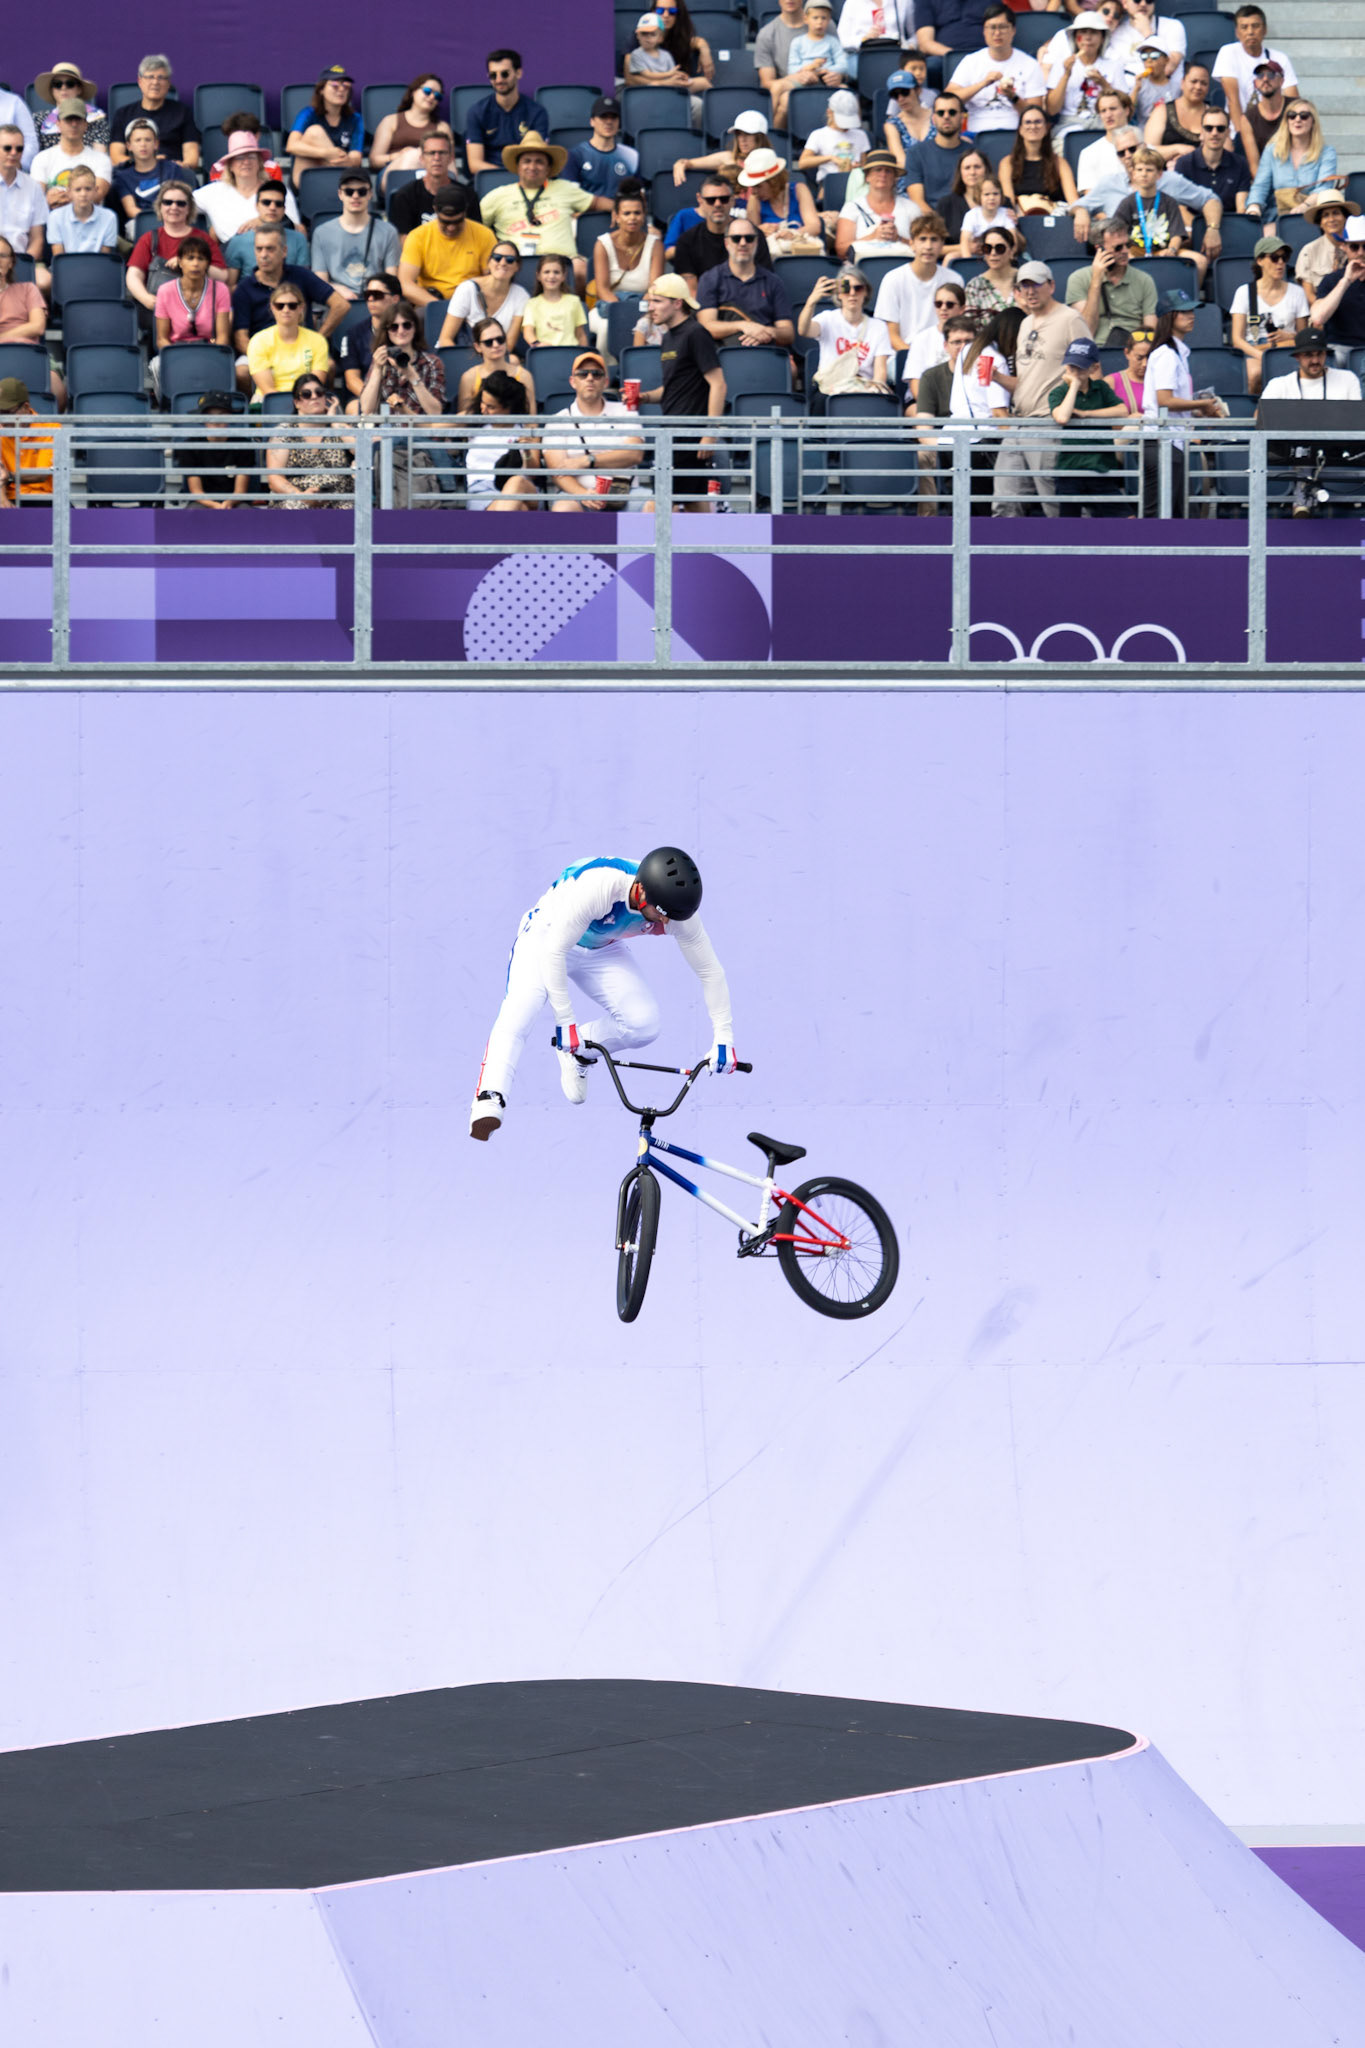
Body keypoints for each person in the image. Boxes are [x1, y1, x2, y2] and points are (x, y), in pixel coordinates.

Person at [469, 850, 736, 1142]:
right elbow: (554, 951)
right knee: (522, 1008)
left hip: (602, 946)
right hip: (547, 937)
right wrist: (565, 1021)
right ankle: (489, 1096)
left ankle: (580, 1053)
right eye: (661, 914)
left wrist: (724, 1037)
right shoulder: (601, 885)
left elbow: (710, 971)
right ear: (641, 892)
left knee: (644, 1024)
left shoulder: (675, 912)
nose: (664, 922)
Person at [992, 258, 1092, 514]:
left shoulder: (1070, 319)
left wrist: (1069, 404)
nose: (1030, 291)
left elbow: (1091, 367)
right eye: (1024, 286)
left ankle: (1066, 552)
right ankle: (1002, 555)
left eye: (1036, 285)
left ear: (1051, 285)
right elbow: (1027, 381)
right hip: (1018, 422)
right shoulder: (1025, 323)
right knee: (1005, 500)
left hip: (1049, 423)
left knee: (1054, 501)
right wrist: (996, 377)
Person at [638, 276, 727, 509]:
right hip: (672, 433)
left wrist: (710, 431)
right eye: (650, 301)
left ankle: (647, 547)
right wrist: (645, 397)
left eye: (657, 301)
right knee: (694, 504)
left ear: (677, 303)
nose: (651, 307)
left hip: (689, 434)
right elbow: (673, 387)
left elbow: (718, 384)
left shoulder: (696, 333)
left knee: (656, 506)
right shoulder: (668, 337)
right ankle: (705, 546)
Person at [480, 139, 600, 292]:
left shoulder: (565, 189)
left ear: (549, 168)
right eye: (527, 161)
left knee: (581, 268)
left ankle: (580, 311)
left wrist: (619, 208)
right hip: (513, 264)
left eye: (539, 162)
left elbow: (597, 203)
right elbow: (475, 227)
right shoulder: (497, 195)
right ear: (518, 166)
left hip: (562, 263)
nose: (532, 166)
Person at [358, 300, 446, 505]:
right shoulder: (379, 363)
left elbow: (435, 413)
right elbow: (366, 408)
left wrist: (413, 376)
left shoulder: (431, 363)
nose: (401, 331)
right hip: (384, 443)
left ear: (415, 328)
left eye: (407, 325)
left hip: (420, 440)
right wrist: (378, 370)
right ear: (387, 331)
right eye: (394, 326)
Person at [1141, 292, 1220, 513]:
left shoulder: (1175, 353)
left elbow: (1168, 403)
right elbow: (1165, 400)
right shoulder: (1166, 354)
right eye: (1184, 311)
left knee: (1175, 511)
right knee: (1161, 512)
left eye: (1191, 311)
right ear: (1170, 316)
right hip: (1163, 441)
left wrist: (1199, 411)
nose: (1191, 316)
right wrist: (1201, 406)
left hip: (1170, 440)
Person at [230, 227, 345, 378]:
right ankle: (255, 402)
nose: (264, 255)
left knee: (328, 366)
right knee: (242, 372)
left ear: (284, 251)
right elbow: (240, 338)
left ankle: (323, 400)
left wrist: (318, 339)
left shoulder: (301, 275)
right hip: (264, 352)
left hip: (303, 348)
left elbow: (341, 305)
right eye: (259, 249)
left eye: (270, 249)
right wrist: (263, 358)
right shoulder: (244, 289)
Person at [542, 351, 646, 508]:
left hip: (624, 493)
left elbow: (634, 454)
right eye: (583, 374)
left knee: (655, 504)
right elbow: (558, 471)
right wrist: (583, 494)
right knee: (563, 508)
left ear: (605, 382)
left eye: (596, 374)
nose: (590, 378)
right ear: (573, 381)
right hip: (577, 495)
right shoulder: (557, 421)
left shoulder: (626, 411)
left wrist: (586, 461)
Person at [127, 185, 228, 328]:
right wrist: (147, 299)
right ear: (160, 207)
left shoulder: (203, 239)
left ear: (189, 209)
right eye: (168, 202)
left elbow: (222, 275)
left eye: (181, 203)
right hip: (157, 311)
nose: (174, 207)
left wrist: (190, 263)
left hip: (197, 310)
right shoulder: (149, 239)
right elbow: (133, 275)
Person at [1048, 334, 1129, 512]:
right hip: (1070, 468)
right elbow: (1062, 417)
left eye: (1081, 367)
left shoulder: (1101, 388)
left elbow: (1122, 410)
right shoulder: (1058, 393)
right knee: (1069, 527)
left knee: (1124, 519)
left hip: (1101, 467)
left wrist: (1086, 414)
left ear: (1094, 367)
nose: (1075, 371)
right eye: (1072, 366)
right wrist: (1074, 385)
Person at [1213, 6, 1298, 158]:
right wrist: (1242, 136)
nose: (1250, 31)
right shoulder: (1228, 52)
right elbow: (1233, 100)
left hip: (1276, 133)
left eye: (1255, 26)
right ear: (1237, 33)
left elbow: (1293, 102)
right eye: (1244, 27)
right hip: (1240, 129)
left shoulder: (1280, 58)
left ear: (1264, 30)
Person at [588, 185, 664, 354]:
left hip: (644, 305)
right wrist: (622, 314)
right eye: (626, 213)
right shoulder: (602, 244)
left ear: (644, 216)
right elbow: (602, 289)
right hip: (609, 307)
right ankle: (608, 373)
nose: (632, 218)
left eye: (637, 213)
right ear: (616, 216)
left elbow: (654, 288)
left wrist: (637, 311)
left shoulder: (655, 245)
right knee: (606, 329)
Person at [948, 7, 1048, 134]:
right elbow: (949, 99)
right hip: (976, 132)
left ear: (1013, 30)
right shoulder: (971, 61)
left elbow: (1036, 115)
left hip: (1018, 134)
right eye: (992, 27)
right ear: (984, 31)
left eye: (1002, 27)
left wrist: (1013, 97)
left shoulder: (1030, 64)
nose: (997, 33)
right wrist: (982, 84)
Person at [697, 220, 796, 348]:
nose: (743, 243)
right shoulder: (710, 279)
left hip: (765, 349)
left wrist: (763, 332)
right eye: (736, 238)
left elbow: (788, 334)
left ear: (756, 242)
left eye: (749, 238)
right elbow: (707, 327)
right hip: (724, 353)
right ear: (726, 243)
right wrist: (743, 326)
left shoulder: (773, 281)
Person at [873, 212, 964, 351]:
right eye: (922, 239)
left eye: (934, 239)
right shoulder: (893, 279)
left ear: (942, 245)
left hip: (943, 353)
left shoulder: (954, 279)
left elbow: (956, 328)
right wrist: (916, 357)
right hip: (903, 353)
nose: (928, 246)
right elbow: (891, 335)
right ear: (912, 244)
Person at [1230, 235, 1309, 394]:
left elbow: (1304, 335)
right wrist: (1262, 356)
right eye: (1274, 258)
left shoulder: (1297, 293)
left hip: (1287, 350)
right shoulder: (1245, 292)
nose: (1280, 263)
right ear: (1260, 261)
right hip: (1254, 350)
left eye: (1284, 258)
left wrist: (1290, 336)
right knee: (1254, 374)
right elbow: (1237, 339)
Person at [153, 233, 232, 392]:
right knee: (156, 365)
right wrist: (178, 357)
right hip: (177, 350)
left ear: (207, 263)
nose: (195, 263)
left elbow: (223, 337)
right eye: (190, 258)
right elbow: (162, 338)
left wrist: (209, 357)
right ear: (180, 262)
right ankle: (168, 407)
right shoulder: (165, 291)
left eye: (201, 259)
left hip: (209, 350)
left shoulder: (220, 290)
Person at [194, 133, 303, 245]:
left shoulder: (276, 192)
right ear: (230, 165)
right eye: (239, 158)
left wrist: (266, 222)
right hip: (229, 256)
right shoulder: (213, 191)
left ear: (260, 163)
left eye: (251, 157)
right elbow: (181, 201)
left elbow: (299, 231)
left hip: (272, 251)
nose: (246, 162)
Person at [398, 186, 497, 308]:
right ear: (435, 211)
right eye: (445, 222)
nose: (451, 227)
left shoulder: (484, 234)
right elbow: (406, 284)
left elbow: (492, 278)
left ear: (465, 212)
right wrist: (439, 306)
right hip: (431, 302)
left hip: (472, 302)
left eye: (457, 221)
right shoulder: (418, 236)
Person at [800, 267, 892, 395]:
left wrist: (874, 391)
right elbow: (804, 331)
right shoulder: (827, 318)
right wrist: (811, 302)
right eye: (846, 288)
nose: (852, 293)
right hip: (830, 388)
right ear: (838, 293)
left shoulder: (878, 326)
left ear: (866, 292)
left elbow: (880, 373)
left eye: (858, 288)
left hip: (864, 387)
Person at [309, 171, 400, 301]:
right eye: (349, 191)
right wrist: (337, 289)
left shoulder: (388, 231)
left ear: (370, 194)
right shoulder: (321, 232)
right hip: (337, 301)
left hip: (378, 300)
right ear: (340, 194)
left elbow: (391, 280)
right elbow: (320, 281)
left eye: (362, 191)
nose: (355, 196)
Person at [1066, 218, 1158, 341]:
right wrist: (1096, 281)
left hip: (1132, 348)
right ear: (1099, 249)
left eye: (1128, 245)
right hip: (1095, 349)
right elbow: (1086, 332)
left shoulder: (1144, 280)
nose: (1125, 251)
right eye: (1118, 247)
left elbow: (1150, 330)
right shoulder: (1078, 279)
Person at [265, 377, 353, 504]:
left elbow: (361, 449)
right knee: (296, 508)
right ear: (297, 403)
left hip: (339, 498)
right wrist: (301, 496)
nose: (314, 397)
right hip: (296, 497)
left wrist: (334, 421)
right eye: (307, 394)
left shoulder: (338, 427)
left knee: (353, 514)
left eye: (319, 392)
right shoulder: (284, 432)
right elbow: (274, 478)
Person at [1246, 102, 1337, 222]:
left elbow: (1324, 189)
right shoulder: (1272, 150)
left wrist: (1305, 207)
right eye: (1292, 115)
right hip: (1277, 214)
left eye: (1304, 115)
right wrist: (1254, 207)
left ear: (1313, 121)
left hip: (1313, 214)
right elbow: (1261, 185)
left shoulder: (1326, 152)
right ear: (1286, 121)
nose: (1297, 119)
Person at [464, 370, 542, 508]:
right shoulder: (473, 420)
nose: (483, 409)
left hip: (524, 487)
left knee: (516, 482)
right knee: (520, 509)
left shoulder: (527, 428)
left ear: (508, 408)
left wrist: (527, 453)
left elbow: (534, 471)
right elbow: (432, 425)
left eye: (491, 407)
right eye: (482, 402)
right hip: (483, 489)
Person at [464, 51, 550, 177]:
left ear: (518, 73)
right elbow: (475, 164)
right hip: (490, 178)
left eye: (505, 74)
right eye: (493, 75)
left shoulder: (537, 112)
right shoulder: (477, 112)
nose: (499, 80)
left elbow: (539, 158)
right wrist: (503, 175)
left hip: (527, 178)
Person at [671, 177, 762, 295]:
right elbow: (691, 292)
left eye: (724, 199)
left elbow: (763, 283)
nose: (718, 204)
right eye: (711, 200)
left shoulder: (752, 236)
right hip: (704, 307)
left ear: (732, 200)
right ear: (700, 199)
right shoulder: (687, 241)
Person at [108, 55, 200, 169]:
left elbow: (192, 158)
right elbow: (116, 156)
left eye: (161, 78)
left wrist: (176, 167)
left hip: (171, 173)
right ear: (140, 81)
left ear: (168, 83)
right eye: (150, 77)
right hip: (133, 172)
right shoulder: (123, 114)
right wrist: (147, 164)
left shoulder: (183, 113)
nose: (155, 82)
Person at [248, 282, 333, 400]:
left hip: (308, 399)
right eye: (280, 306)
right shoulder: (258, 341)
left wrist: (301, 406)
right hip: (269, 400)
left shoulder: (317, 340)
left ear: (301, 308)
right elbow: (267, 389)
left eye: (292, 305)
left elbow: (315, 385)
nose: (286, 310)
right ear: (272, 308)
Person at [1045, 12, 1122, 141]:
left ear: (1103, 37)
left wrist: (1104, 84)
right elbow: (1052, 109)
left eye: (1093, 32)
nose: (1088, 37)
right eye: (1083, 32)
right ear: (1075, 37)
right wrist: (1066, 75)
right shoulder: (1061, 65)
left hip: (1105, 123)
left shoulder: (1114, 65)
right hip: (1069, 124)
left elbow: (1124, 108)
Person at [387, 134, 480, 240]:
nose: (436, 158)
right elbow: (404, 242)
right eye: (431, 153)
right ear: (421, 158)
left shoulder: (468, 195)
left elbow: (475, 236)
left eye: (442, 153)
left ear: (451, 158)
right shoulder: (405, 196)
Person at [835, 148, 920, 261]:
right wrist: (873, 237)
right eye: (878, 170)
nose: (883, 174)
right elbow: (841, 250)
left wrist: (898, 238)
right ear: (867, 176)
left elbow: (924, 247)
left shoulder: (911, 208)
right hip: (862, 273)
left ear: (895, 178)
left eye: (888, 171)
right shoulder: (852, 207)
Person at [439, 244, 529, 351]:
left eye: (510, 260)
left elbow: (508, 346)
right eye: (497, 258)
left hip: (498, 356)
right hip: (464, 354)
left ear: (517, 266)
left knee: (514, 360)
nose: (503, 263)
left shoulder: (521, 295)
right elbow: (445, 339)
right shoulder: (467, 289)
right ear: (489, 263)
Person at [286, 66, 364, 186]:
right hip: (308, 178)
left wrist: (339, 158)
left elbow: (356, 158)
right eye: (335, 85)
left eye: (346, 86)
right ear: (321, 90)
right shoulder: (308, 113)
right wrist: (325, 153)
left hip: (341, 171)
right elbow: (291, 145)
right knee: (314, 131)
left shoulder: (355, 118)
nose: (341, 89)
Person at [738, 149, 824, 257]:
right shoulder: (754, 199)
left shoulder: (799, 190)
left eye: (758, 186)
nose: (754, 191)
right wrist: (760, 231)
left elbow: (814, 227)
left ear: (774, 182)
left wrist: (793, 233)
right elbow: (750, 236)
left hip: (801, 253)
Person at [1307, 220, 1365, 378]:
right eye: (1354, 246)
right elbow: (1318, 318)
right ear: (1344, 247)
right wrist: (1346, 281)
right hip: (1341, 350)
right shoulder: (1332, 281)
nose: (1360, 252)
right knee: (1334, 359)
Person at [223, 183, 310, 284]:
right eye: (266, 202)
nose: (272, 207)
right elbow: (230, 286)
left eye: (278, 204)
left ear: (284, 210)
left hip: (289, 295)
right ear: (257, 206)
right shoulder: (238, 242)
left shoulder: (298, 239)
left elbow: (303, 281)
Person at [369, 76, 454, 180]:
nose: (432, 97)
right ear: (413, 91)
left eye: (437, 95)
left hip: (431, 176)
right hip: (392, 175)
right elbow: (374, 161)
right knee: (413, 156)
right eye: (427, 91)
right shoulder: (391, 121)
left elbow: (450, 163)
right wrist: (398, 156)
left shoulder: (442, 127)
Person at [32, 101, 111, 210]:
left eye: (78, 120)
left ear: (85, 125)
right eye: (68, 120)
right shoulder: (42, 158)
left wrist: (58, 198)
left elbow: (97, 196)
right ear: (58, 124)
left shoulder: (101, 160)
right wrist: (47, 200)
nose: (74, 124)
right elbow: (36, 199)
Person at [111, 118, 190, 228]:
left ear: (156, 144)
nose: (143, 144)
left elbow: (179, 200)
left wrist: (166, 219)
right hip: (140, 221)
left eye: (148, 140)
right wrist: (153, 221)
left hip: (171, 217)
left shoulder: (172, 169)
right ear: (129, 146)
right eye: (138, 140)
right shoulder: (123, 177)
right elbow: (131, 210)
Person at [1173, 106, 1251, 217]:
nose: (1214, 133)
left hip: (1230, 226)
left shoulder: (1240, 163)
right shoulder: (1184, 164)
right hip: (1195, 227)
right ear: (1201, 132)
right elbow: (1181, 209)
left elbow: (1241, 209)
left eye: (1220, 128)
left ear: (1228, 132)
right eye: (1209, 128)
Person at [999, 109, 1079, 215]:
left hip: (1052, 219)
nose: (1033, 126)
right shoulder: (1008, 163)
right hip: (1020, 218)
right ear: (1020, 129)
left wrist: (1080, 212)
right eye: (1028, 122)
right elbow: (1009, 202)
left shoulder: (1059, 163)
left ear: (1046, 128)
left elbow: (1073, 200)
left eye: (1038, 122)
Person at [903, 94, 972, 213]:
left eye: (952, 112)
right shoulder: (916, 153)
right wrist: (940, 227)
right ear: (933, 119)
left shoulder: (973, 154)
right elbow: (917, 201)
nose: (946, 117)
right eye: (941, 113)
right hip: (932, 224)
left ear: (962, 118)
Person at [182, 391, 251, 507]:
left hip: (235, 503)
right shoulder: (190, 446)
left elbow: (240, 491)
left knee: (245, 512)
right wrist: (213, 505)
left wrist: (229, 503)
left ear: (230, 417)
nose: (216, 421)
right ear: (203, 419)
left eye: (222, 415)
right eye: (210, 415)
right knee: (193, 512)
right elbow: (196, 491)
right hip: (202, 503)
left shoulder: (243, 445)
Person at [800, 90, 871, 203]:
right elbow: (803, 162)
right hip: (829, 184)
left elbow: (864, 164)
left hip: (856, 182)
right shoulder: (818, 135)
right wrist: (831, 158)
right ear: (829, 113)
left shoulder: (861, 135)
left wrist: (856, 167)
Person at [673, 111, 772, 191]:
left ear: (760, 137)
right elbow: (690, 163)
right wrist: (681, 163)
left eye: (748, 134)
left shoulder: (772, 163)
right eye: (739, 134)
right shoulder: (728, 158)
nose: (742, 139)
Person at [455, 317, 537, 412]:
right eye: (488, 342)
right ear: (477, 347)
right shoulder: (469, 377)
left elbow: (531, 420)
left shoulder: (524, 376)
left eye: (500, 339)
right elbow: (465, 421)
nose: (496, 345)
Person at [0, 375, 60, 505]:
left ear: (26, 407)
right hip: (10, 497)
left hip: (45, 498)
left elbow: (42, 474)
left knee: (77, 522)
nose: (3, 420)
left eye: (7, 413)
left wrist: (9, 477)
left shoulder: (51, 429)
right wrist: (2, 498)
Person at [1260, 325, 1362, 401]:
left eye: (1320, 354)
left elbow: (1357, 420)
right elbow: (1261, 418)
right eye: (1308, 355)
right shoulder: (1278, 385)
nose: (1315, 360)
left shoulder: (1347, 379)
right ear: (1297, 357)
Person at [340, 272, 400, 400]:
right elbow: (352, 380)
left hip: (402, 397)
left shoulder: (406, 331)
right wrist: (373, 399)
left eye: (377, 295)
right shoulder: (353, 334)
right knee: (354, 407)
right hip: (363, 398)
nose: (371, 299)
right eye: (368, 295)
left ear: (395, 299)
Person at [565, 99, 640, 200]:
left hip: (622, 214)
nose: (609, 122)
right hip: (588, 215)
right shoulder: (575, 155)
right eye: (603, 117)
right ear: (592, 121)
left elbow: (639, 196)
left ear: (619, 122)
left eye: (614, 117)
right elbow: (571, 199)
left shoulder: (631, 155)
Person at [0, 131, 48, 286]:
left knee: (45, 281)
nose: (13, 153)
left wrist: (16, 265)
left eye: (19, 149)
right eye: (7, 148)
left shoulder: (33, 187)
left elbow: (37, 239)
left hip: (21, 259)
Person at [757, 0, 814, 131]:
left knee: (848, 95)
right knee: (785, 100)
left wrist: (837, 74)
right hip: (790, 88)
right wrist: (794, 78)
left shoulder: (821, 21)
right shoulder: (767, 33)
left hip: (823, 83)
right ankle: (773, 140)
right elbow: (767, 82)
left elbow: (838, 58)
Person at [1144, 60, 1215, 161]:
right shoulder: (1162, 111)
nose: (1198, 87)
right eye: (1194, 81)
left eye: (1204, 83)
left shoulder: (1214, 115)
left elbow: (1226, 150)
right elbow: (1148, 152)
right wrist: (1177, 149)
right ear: (1182, 83)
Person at [1296, 190, 1356, 305]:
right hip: (1323, 317)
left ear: (1345, 218)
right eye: (1326, 215)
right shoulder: (1308, 251)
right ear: (1320, 222)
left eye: (1336, 213)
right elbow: (1309, 296)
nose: (1331, 219)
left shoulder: (1360, 247)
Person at [32, 62, 109, 149]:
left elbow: (100, 153)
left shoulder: (96, 118)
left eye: (70, 84)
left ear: (79, 89)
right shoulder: (38, 119)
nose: (63, 88)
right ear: (52, 90)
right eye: (57, 84)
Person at [46, 165, 117, 256]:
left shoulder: (109, 217)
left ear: (95, 190)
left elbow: (104, 258)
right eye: (78, 190)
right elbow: (59, 258)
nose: (83, 194)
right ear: (69, 192)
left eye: (88, 189)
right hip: (66, 268)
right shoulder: (55, 217)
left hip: (97, 268)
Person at [522, 253, 589, 349]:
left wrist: (584, 354)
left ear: (564, 276)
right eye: (546, 272)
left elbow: (581, 335)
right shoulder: (532, 304)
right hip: (544, 352)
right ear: (538, 276)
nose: (551, 276)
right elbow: (528, 332)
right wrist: (537, 344)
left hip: (570, 352)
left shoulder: (574, 301)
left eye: (556, 272)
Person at [207, 111, 289, 189]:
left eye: (248, 136)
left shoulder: (273, 168)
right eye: (234, 136)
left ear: (257, 135)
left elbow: (276, 197)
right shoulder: (218, 168)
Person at [1076, 88, 1135, 190]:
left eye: (1113, 109)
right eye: (1103, 111)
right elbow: (1091, 198)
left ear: (1126, 110)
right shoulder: (1089, 153)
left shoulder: (1143, 146)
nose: (1108, 115)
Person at [939, 149, 992, 257]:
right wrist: (964, 247)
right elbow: (934, 248)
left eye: (977, 167)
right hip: (960, 263)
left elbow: (1018, 243)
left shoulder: (1001, 201)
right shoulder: (946, 204)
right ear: (960, 172)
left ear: (986, 170)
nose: (972, 172)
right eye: (967, 168)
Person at [786, 1, 851, 89]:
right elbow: (791, 69)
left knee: (846, 91)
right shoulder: (797, 42)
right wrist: (808, 68)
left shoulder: (833, 41)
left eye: (823, 18)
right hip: (804, 83)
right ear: (806, 19)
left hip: (828, 81)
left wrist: (827, 70)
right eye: (815, 18)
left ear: (829, 20)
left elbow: (843, 65)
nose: (819, 22)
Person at [883, 67, 934, 174]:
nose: (900, 98)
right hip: (909, 178)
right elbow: (901, 161)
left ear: (917, 90)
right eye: (895, 95)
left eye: (904, 92)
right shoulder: (892, 125)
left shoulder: (937, 116)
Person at [965, 224, 1020, 323]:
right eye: (987, 248)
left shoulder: (1026, 280)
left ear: (1011, 251)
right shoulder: (974, 286)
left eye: (1000, 248)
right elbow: (970, 326)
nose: (993, 253)